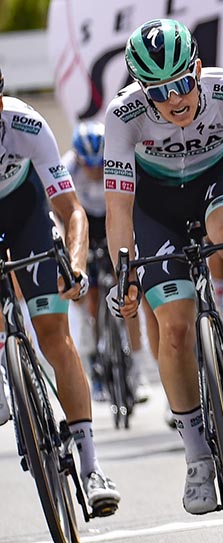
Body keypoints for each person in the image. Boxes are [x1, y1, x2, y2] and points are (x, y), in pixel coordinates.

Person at [104, 19, 223, 516]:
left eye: (184, 83)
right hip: (155, 207)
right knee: (175, 329)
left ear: (198, 69)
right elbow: (119, 209)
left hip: (217, 180)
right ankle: (196, 456)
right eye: (160, 93)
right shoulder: (123, 115)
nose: (176, 100)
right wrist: (123, 275)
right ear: (143, 91)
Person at [0, 77, 122, 515]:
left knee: (55, 336)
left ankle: (91, 467)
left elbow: (70, 209)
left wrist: (75, 265)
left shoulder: (25, 124)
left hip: (25, 213)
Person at [65, 121, 152, 403]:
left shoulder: (117, 162)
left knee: (128, 295)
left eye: (99, 163)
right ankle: (91, 334)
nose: (94, 170)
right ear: (77, 158)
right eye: (87, 164)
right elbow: (62, 214)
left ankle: (138, 374)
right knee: (88, 293)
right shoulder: (69, 168)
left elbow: (133, 207)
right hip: (85, 222)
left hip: (114, 217)